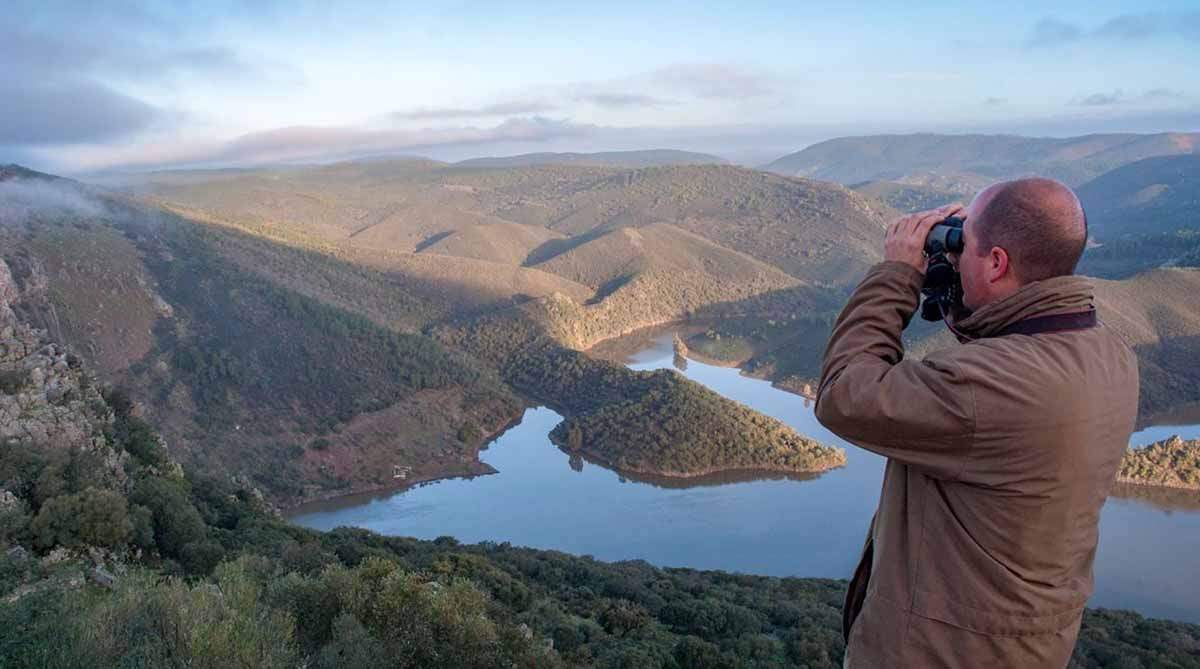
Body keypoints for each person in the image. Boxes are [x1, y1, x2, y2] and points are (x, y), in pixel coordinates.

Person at [815, 178, 1139, 668]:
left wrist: (896, 275)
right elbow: (1006, 363)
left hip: (939, 654)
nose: (957, 253)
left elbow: (844, 393)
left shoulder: (985, 389)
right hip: (1029, 644)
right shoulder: (1109, 353)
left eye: (965, 246)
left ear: (996, 263)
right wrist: (962, 295)